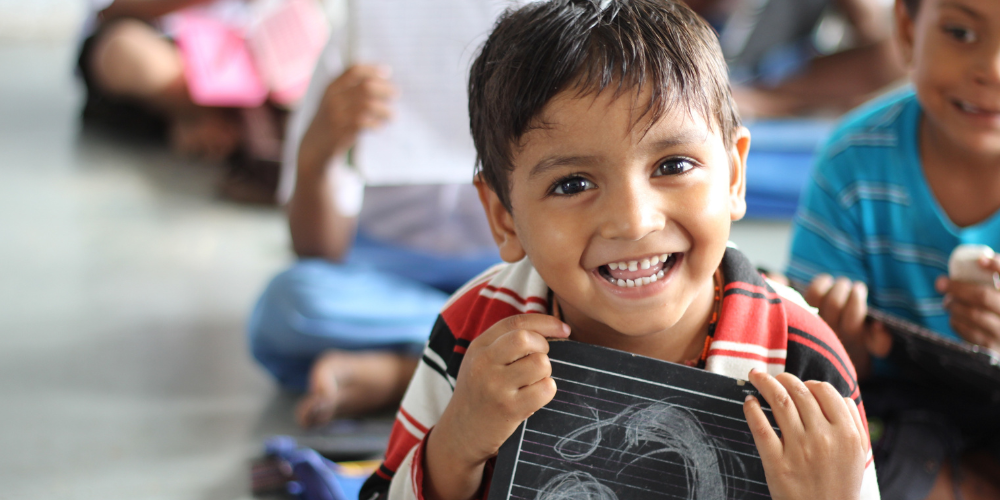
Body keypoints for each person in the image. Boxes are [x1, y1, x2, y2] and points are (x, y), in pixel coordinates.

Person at [359, 0, 880, 498]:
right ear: (503, 216)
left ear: (735, 176)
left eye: (673, 166)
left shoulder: (802, 362)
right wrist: (457, 444)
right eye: (572, 184)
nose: (633, 222)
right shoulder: (475, 333)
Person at [786, 0, 1000, 498]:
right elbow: (803, 354)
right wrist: (843, 350)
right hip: (899, 413)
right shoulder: (852, 163)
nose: (991, 69)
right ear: (906, 29)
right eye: (961, 33)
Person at [247, 40, 501, 424]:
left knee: (589, 302)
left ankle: (403, 372)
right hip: (383, 274)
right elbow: (316, 249)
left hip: (509, 267)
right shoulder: (355, 42)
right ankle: (481, 350)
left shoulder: (552, 36)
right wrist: (318, 157)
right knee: (292, 302)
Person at [78, 0, 242, 161]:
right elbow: (110, 12)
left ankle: (217, 124)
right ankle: (196, 116)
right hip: (169, 59)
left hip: (243, 65)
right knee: (125, 49)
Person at [684, 0, 906, 118]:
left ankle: (761, 103)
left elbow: (889, 55)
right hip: (697, 77)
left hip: (766, 85)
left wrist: (763, 103)